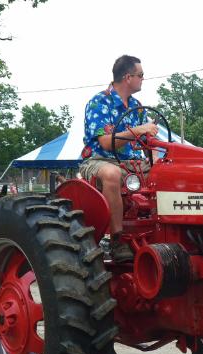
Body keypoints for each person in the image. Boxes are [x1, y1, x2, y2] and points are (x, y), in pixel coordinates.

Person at [80, 55, 158, 262]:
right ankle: (117, 240)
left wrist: (158, 163)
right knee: (111, 174)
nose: (143, 79)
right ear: (127, 77)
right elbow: (106, 143)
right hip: (100, 160)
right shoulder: (99, 102)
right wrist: (138, 130)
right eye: (141, 75)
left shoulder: (137, 106)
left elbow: (151, 142)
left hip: (133, 163)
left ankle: (161, 231)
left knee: (169, 173)